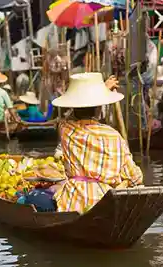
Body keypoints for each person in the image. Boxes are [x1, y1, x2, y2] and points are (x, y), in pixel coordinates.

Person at [48, 73, 143, 213]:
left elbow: (69, 117)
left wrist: (102, 89)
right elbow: (134, 176)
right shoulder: (114, 136)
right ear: (99, 108)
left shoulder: (66, 130)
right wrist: (129, 181)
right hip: (104, 201)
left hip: (72, 202)